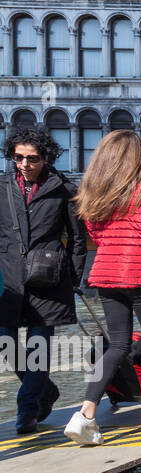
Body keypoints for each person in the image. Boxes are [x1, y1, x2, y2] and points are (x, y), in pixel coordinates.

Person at [64, 130, 141, 445]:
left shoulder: (94, 192)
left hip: (106, 274)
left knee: (117, 344)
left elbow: (94, 233)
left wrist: (114, 248)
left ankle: (85, 414)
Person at [1, 126, 86, 434]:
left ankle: (27, 412)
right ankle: (45, 391)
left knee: (38, 344)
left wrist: (75, 277)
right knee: (4, 340)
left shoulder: (65, 189)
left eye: (32, 159)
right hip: (8, 277)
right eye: (18, 157)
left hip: (49, 277)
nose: (24, 164)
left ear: (46, 157)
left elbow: (78, 239)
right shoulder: (2, 187)